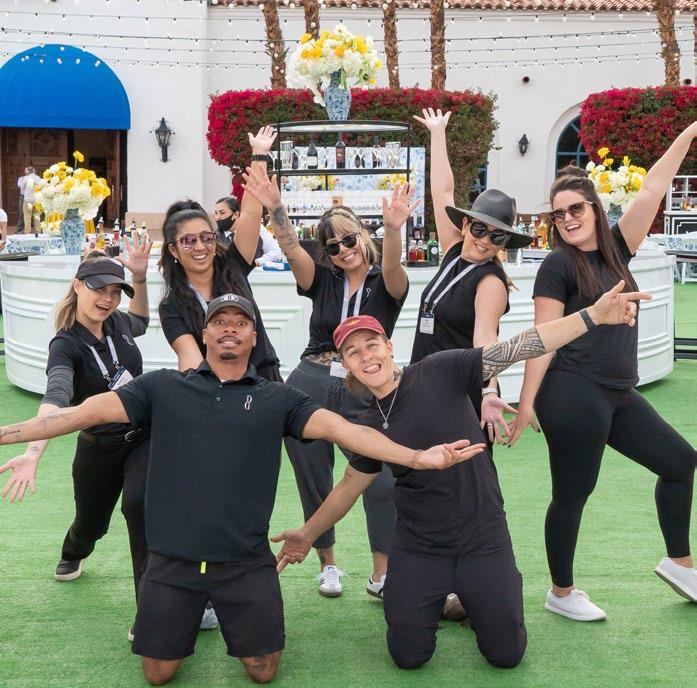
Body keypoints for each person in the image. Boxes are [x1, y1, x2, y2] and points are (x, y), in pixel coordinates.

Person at [0, 293, 479, 685]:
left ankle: (226, 615)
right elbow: (82, 412)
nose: (229, 328)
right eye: (219, 321)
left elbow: (346, 431)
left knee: (263, 671)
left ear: (253, 336)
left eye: (241, 322)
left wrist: (417, 457)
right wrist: (15, 436)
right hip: (172, 561)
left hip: (246, 562)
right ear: (205, 334)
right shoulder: (161, 388)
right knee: (157, 674)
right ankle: (185, 615)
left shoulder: (278, 398)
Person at [273, 283, 650, 671]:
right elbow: (349, 486)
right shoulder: (368, 427)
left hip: (482, 538)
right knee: (408, 655)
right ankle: (445, 600)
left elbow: (520, 346)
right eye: (353, 352)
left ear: (388, 346)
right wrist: (307, 533)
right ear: (346, 366)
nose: (366, 355)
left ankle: (478, 596)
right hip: (419, 547)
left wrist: (592, 316)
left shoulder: (439, 370)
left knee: (506, 655)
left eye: (372, 344)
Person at [509, 122, 697, 621]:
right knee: (573, 493)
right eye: (559, 214)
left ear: (594, 208)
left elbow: (653, 188)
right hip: (571, 390)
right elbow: (542, 338)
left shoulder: (617, 249)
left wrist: (688, 134)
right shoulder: (557, 266)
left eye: (576, 208)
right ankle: (561, 591)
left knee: (680, 462)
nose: (568, 219)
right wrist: (526, 403)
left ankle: (680, 564)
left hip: (618, 392)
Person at [243, 163, 416, 599]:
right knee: (312, 474)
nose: (343, 250)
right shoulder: (322, 280)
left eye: (349, 239)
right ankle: (328, 565)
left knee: (380, 479)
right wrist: (276, 207)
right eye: (333, 245)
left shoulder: (386, 282)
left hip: (366, 387)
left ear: (363, 235)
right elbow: (289, 247)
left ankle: (382, 574)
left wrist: (394, 228)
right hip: (311, 381)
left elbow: (393, 263)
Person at [0, 242, 151, 601]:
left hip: (145, 438)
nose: (108, 299)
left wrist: (141, 279)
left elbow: (142, 321)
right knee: (90, 524)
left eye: (115, 292)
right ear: (77, 285)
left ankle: (155, 601)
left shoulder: (117, 322)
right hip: (100, 445)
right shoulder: (65, 345)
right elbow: (56, 398)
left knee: (141, 505)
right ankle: (75, 550)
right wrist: (33, 453)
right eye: (100, 289)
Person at [158, 125, 281, 380]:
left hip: (264, 380)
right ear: (173, 250)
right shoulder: (172, 305)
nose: (200, 247)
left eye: (206, 237)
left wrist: (259, 155)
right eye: (188, 241)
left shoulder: (233, 263)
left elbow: (250, 213)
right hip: (215, 390)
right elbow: (190, 360)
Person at [214, 195, 282, 262]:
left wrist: (258, 262)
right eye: (216, 213)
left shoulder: (256, 227)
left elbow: (276, 252)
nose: (217, 217)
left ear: (235, 214)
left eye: (222, 213)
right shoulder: (214, 237)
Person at [22, 166, 41, 234]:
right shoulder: (38, 178)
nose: (25, 171)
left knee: (27, 215)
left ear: (28, 171)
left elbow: (22, 187)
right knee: (37, 216)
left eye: (26, 170)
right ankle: (38, 231)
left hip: (28, 200)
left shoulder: (26, 178)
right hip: (37, 200)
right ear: (34, 171)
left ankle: (27, 232)